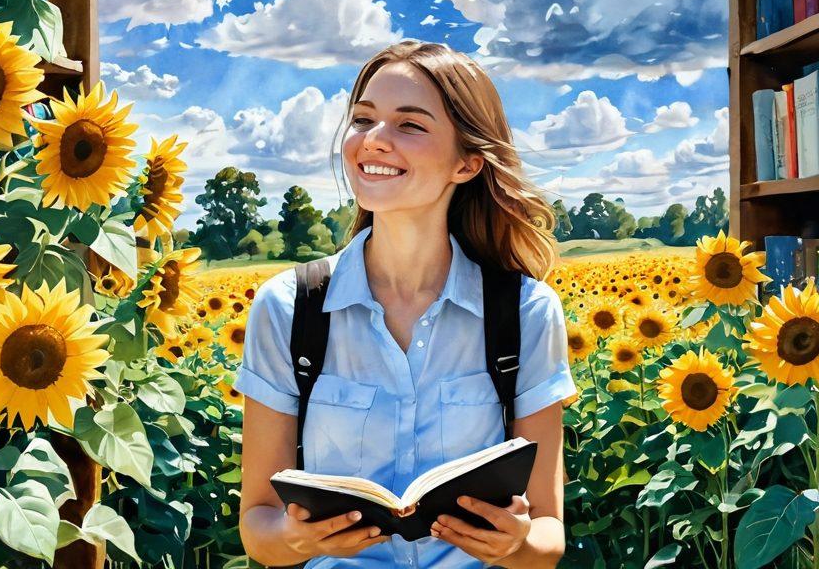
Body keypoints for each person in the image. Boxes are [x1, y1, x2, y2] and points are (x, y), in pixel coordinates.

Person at [234, 40, 576, 568]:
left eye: (409, 125)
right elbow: (258, 529)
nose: (373, 140)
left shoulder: (525, 312)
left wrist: (516, 543)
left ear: (466, 164)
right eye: (362, 119)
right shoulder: (289, 307)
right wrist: (299, 538)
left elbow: (547, 537)